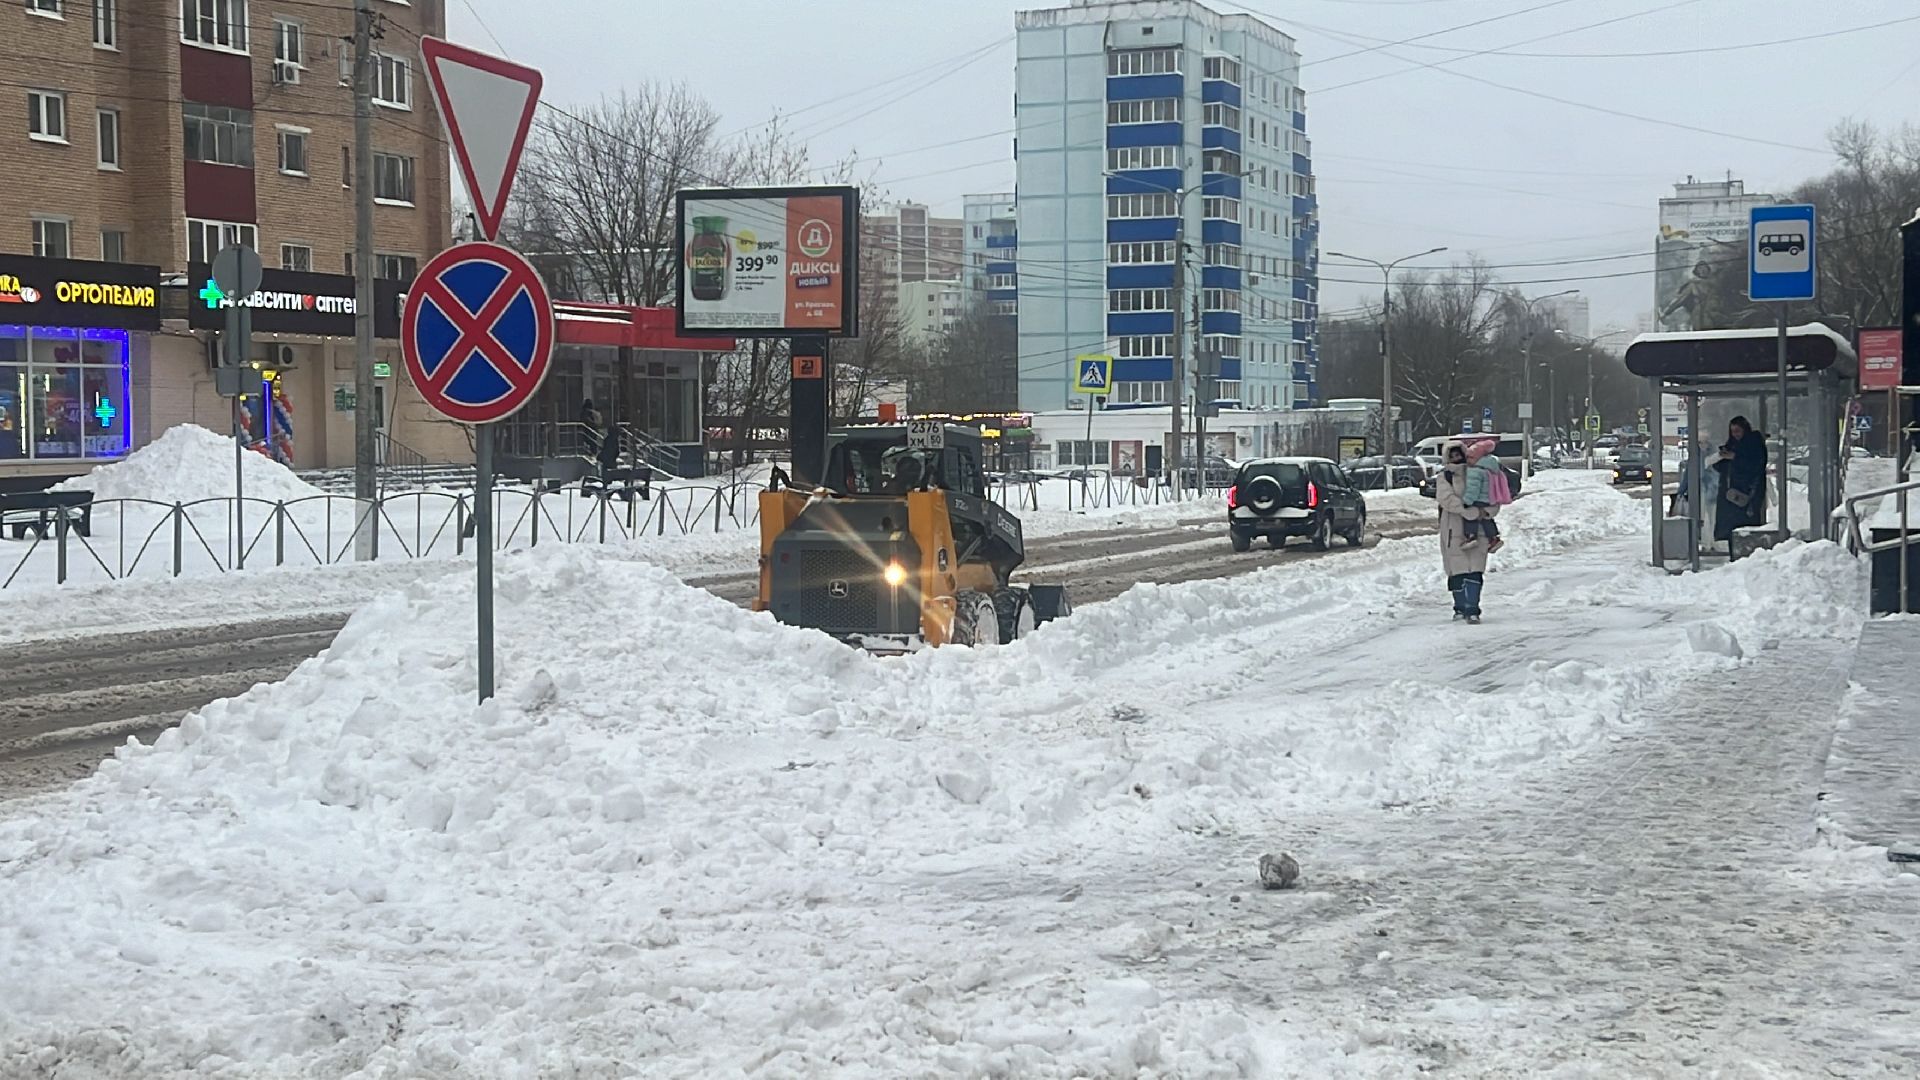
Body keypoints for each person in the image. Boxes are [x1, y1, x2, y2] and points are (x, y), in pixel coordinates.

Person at [1433, 441, 1492, 623]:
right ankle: (1460, 607)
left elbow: (1491, 496)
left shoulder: (1478, 472)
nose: (1456, 459)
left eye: (1458, 455)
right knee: (1457, 571)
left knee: (1475, 569)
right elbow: (1446, 499)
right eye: (1452, 456)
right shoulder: (1445, 477)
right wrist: (1468, 511)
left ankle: (1473, 608)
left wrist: (1487, 512)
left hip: (1478, 528)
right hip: (1453, 528)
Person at [1711, 415, 1767, 543]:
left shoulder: (1754, 444)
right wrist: (1721, 457)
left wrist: (1735, 457)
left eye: (1738, 431)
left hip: (1747, 492)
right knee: (1729, 526)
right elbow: (1720, 467)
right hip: (1730, 494)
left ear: (1745, 430)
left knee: (1745, 526)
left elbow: (1756, 465)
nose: (1735, 434)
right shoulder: (1731, 444)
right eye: (1732, 431)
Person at [1458, 437, 1507, 553]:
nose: (1467, 460)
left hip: (1478, 499)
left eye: (1470, 457)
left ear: (1477, 458)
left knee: (1470, 515)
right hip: (1488, 499)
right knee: (1486, 519)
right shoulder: (1490, 468)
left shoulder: (1475, 470)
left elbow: (1473, 489)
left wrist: (1466, 501)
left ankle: (1471, 536)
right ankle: (1493, 537)